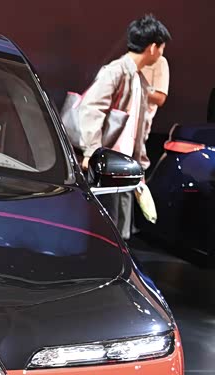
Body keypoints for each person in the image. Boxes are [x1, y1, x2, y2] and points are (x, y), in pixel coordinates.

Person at [78, 14, 171, 240]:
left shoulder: (138, 79)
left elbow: (139, 128)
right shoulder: (116, 71)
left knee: (119, 232)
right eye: (161, 48)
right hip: (106, 165)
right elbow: (91, 109)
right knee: (104, 231)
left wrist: (139, 166)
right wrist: (92, 152)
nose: (161, 53)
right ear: (152, 47)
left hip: (123, 166)